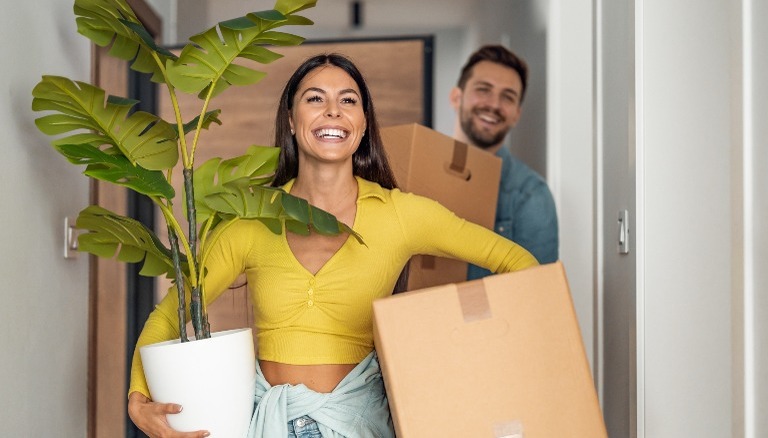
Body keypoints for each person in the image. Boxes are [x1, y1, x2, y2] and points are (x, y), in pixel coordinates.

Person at [127, 53, 539, 438]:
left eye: (348, 100)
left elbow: (517, 262)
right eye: (314, 98)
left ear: (362, 124)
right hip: (268, 423)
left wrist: (481, 358)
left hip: (359, 425)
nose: (332, 111)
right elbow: (171, 313)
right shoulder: (251, 220)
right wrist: (138, 402)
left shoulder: (401, 214)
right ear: (291, 119)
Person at [449, 44, 559, 280]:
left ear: (517, 114)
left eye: (507, 97)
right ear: (456, 97)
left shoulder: (530, 194)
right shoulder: (417, 173)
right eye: (483, 89)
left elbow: (537, 292)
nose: (494, 104)